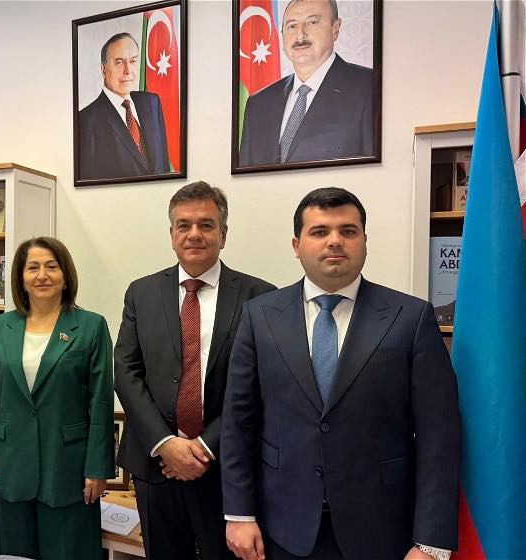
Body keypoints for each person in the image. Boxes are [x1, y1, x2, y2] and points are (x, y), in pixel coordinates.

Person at [221, 188, 461, 560]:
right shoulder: (260, 316)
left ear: (364, 241)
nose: (335, 240)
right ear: (297, 246)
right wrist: (239, 514)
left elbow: (439, 435)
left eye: (348, 231)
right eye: (320, 231)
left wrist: (431, 543)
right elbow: (239, 422)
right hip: (281, 528)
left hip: (382, 529)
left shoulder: (410, 318)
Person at [114, 181, 275, 559]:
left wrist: (204, 447)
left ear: (224, 234)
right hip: (155, 465)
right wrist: (164, 443)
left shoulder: (260, 297)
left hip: (226, 468)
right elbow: (126, 371)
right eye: (183, 225)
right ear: (171, 234)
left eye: (206, 224)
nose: (194, 234)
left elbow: (262, 384)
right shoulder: (141, 292)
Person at [0, 236, 113, 560]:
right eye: (33, 267)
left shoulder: (90, 326)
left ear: (65, 275)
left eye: (51, 266)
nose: (42, 275)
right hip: (11, 465)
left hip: (68, 467)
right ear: (21, 277)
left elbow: (101, 403)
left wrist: (97, 467)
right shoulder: (0, 327)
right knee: (14, 554)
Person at [238, 0, 373, 166]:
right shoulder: (258, 103)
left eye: (312, 22)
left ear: (335, 29)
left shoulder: (369, 86)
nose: (300, 35)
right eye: (292, 26)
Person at [78, 32, 170, 180]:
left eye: (133, 61)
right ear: (103, 69)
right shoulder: (86, 120)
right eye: (119, 62)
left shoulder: (152, 103)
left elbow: (164, 165)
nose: (128, 70)